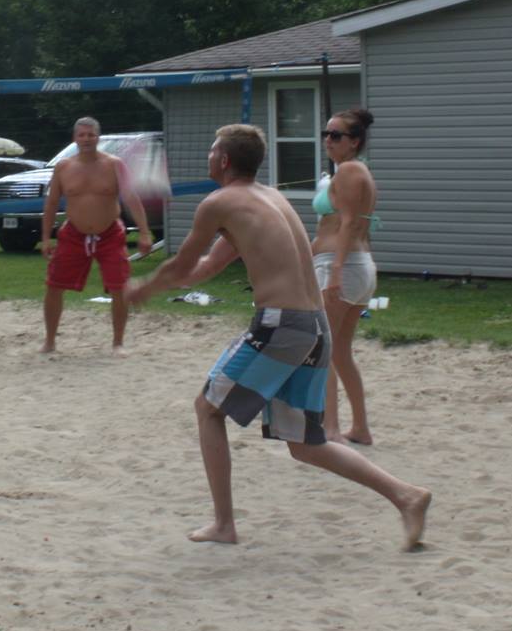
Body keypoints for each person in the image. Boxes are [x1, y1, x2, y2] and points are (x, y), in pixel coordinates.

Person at [126, 123, 430, 549]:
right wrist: (165, 283)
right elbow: (207, 268)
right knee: (305, 443)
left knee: (208, 409)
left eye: (213, 152)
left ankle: (224, 524)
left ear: (225, 160)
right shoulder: (271, 198)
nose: (209, 158)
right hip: (314, 326)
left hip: (281, 324)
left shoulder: (219, 202)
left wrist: (144, 287)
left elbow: (180, 268)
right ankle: (407, 496)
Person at [39, 117, 153, 355]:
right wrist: (47, 237)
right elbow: (50, 204)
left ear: (98, 137)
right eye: (82, 135)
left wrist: (144, 232)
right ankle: (49, 341)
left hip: (109, 233)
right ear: (74, 138)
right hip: (73, 234)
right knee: (53, 285)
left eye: (91, 135)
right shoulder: (63, 167)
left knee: (119, 287)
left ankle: (118, 343)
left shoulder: (114, 164)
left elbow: (132, 199)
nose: (86, 139)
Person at [312, 107, 379, 445]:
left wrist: (335, 272)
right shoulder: (353, 171)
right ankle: (361, 428)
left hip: (344, 267)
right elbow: (335, 225)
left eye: (336, 135)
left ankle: (331, 428)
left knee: (323, 348)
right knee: (340, 352)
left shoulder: (350, 171)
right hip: (354, 266)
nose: (328, 140)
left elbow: (349, 223)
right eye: (326, 133)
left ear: (354, 142)